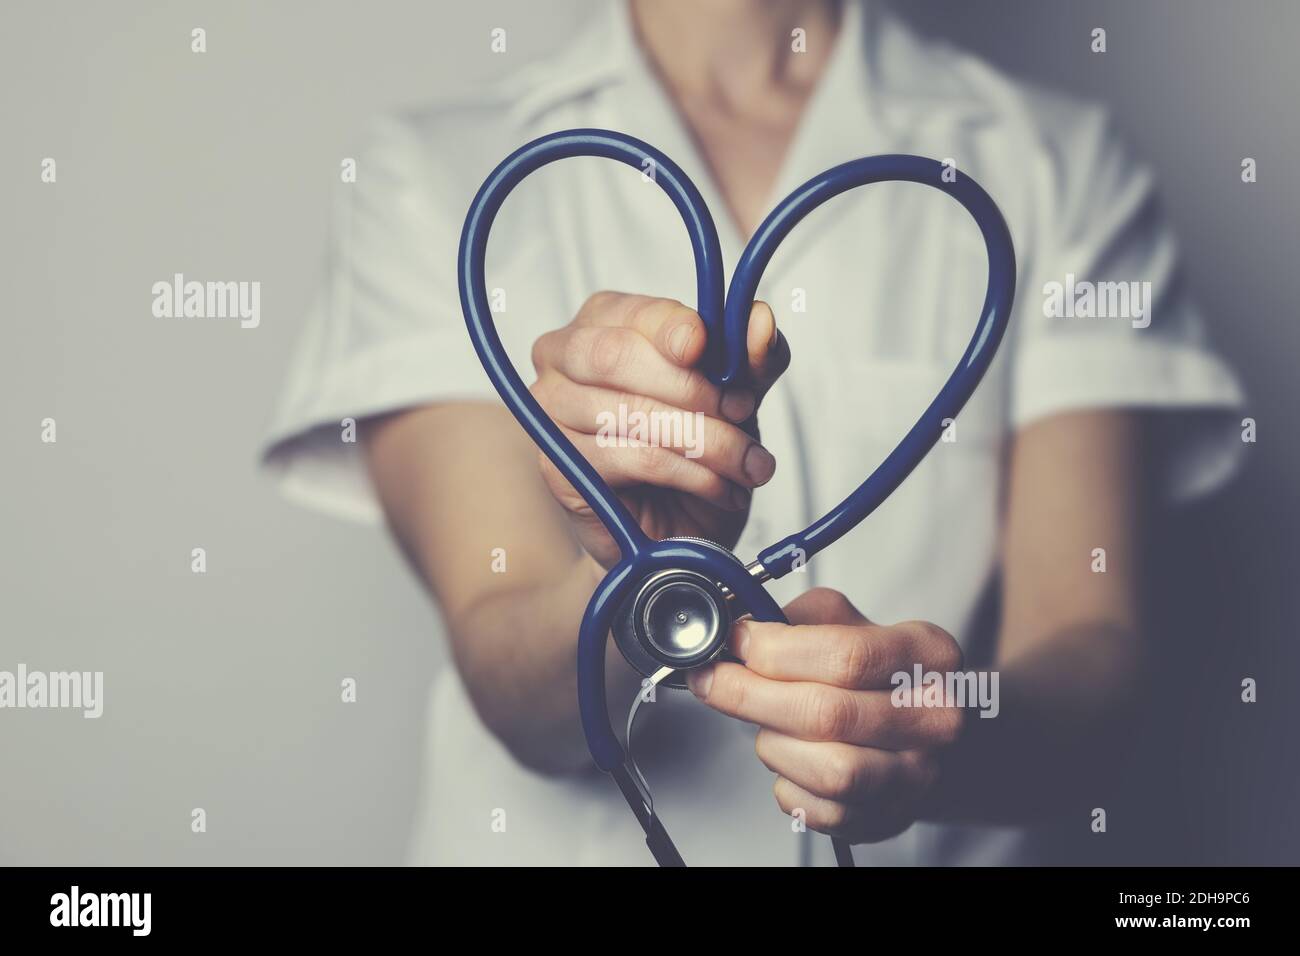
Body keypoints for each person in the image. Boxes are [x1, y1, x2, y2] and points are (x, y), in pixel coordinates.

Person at [262, 0, 1243, 865]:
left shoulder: (1057, 163)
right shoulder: (425, 174)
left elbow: (1092, 652)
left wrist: (940, 739)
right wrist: (637, 562)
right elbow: (518, 686)